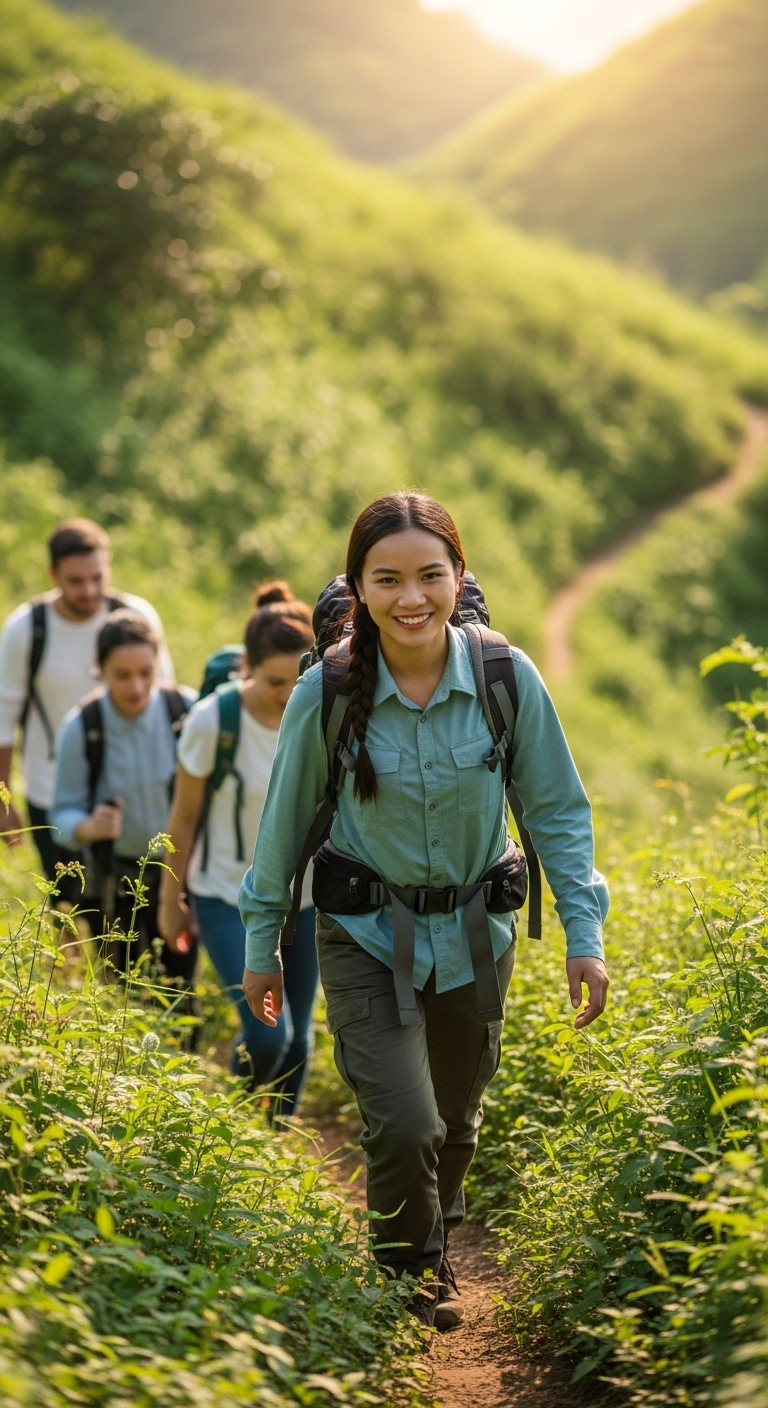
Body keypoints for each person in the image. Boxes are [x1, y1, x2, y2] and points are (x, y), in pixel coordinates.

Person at [238, 493, 610, 1330]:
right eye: (388, 580)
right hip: (365, 933)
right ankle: (409, 1274)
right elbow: (283, 829)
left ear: (457, 575)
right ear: (359, 588)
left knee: (455, 1120)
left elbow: (557, 811)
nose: (411, 598)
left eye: (429, 576)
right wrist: (263, 944)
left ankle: (427, 1237)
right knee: (405, 1123)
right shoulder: (325, 693)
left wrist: (583, 936)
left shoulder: (506, 678)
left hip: (478, 933)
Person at [158, 583, 319, 1117]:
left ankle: (273, 1144)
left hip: (304, 901)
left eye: (299, 679)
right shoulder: (214, 720)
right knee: (270, 1033)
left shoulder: (323, 712)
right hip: (227, 897)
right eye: (274, 682)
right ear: (246, 667)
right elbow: (183, 818)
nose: (288, 693)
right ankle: (232, 1130)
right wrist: (170, 900)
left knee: (298, 1042)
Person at [0, 518, 173, 903]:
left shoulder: (135, 615)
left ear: (108, 565)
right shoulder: (27, 628)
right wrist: (3, 800)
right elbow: (3, 718)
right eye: (76, 581)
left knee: (130, 907)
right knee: (68, 904)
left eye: (97, 577)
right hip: (51, 790)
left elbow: (163, 698)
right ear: (53, 574)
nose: (89, 590)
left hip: (129, 793)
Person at [51, 611, 196, 1005]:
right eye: (122, 675)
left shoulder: (185, 710)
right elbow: (60, 813)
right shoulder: (83, 727)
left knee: (180, 986)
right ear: (99, 669)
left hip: (180, 874)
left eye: (146, 672)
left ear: (158, 661)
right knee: (122, 988)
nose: (137, 686)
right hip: (114, 878)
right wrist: (87, 826)